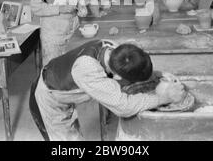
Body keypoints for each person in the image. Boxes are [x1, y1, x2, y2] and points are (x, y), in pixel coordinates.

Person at [29, 40, 185, 141]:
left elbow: (133, 66)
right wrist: (164, 98)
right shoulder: (88, 70)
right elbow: (124, 106)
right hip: (47, 99)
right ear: (116, 77)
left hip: (63, 82)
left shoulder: (117, 51)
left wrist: (157, 74)